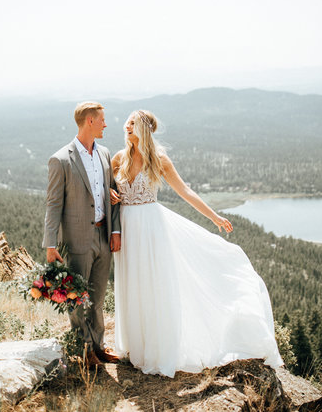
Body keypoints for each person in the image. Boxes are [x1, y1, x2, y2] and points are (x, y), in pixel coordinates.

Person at [111, 109, 283, 378]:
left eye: (133, 123)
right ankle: (136, 346)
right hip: (126, 228)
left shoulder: (159, 159)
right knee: (132, 282)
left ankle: (156, 350)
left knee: (153, 285)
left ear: (144, 129)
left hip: (152, 229)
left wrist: (214, 216)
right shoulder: (118, 158)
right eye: (127, 122)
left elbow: (186, 192)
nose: (127, 126)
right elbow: (104, 190)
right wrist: (110, 196)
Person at [42, 101, 122, 368]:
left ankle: (98, 346)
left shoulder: (105, 154)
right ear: (90, 121)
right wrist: (50, 243)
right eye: (102, 119)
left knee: (98, 298)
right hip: (77, 240)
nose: (105, 124)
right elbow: (53, 204)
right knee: (77, 298)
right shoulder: (61, 159)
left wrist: (114, 230)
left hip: (103, 236)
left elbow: (111, 194)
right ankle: (84, 349)